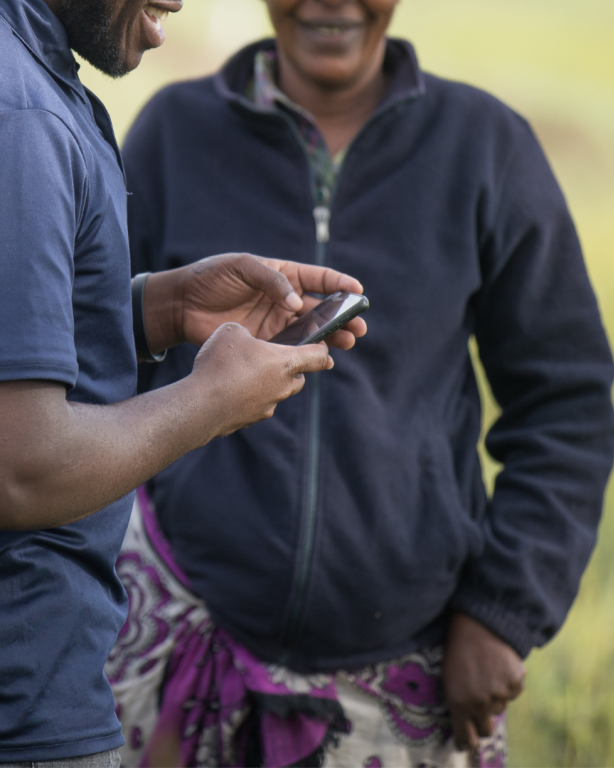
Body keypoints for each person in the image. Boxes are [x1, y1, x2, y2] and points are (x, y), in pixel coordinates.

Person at [109, 0, 614, 765]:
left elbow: (565, 403)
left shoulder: (485, 147)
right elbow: (94, 349)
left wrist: (504, 610)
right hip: (186, 641)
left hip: (406, 681)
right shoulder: (171, 133)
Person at [0, 0, 366, 764]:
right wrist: (205, 403)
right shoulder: (24, 115)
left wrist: (157, 308)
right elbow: (22, 469)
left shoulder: (32, 82)